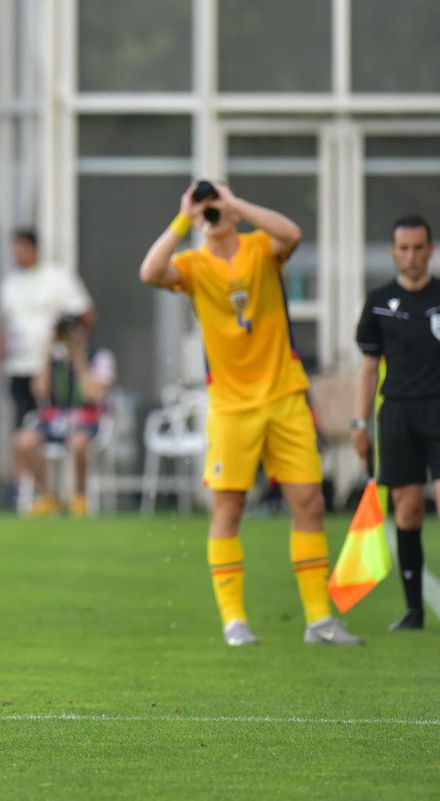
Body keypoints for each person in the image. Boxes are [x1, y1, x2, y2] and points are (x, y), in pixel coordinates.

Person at [139, 181, 362, 647]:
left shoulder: (261, 248)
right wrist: (185, 216)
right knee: (229, 506)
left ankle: (319, 620)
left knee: (309, 501)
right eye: (207, 209)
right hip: (231, 406)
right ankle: (234, 620)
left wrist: (235, 202)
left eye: (215, 206)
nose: (212, 214)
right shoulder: (193, 265)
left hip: (284, 394)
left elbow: (293, 233)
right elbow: (149, 271)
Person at [354, 213, 440, 631]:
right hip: (398, 413)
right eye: (403, 248)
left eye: (418, 248)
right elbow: (369, 369)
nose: (411, 256)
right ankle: (414, 611)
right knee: (406, 511)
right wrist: (359, 422)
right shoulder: (377, 302)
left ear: (431, 250)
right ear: (393, 251)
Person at [0, 229, 94, 513]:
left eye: (21, 248)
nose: (17, 254)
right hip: (20, 367)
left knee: (60, 429)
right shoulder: (10, 284)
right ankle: (39, 492)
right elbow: (6, 326)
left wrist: (75, 352)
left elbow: (85, 313)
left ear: (34, 248)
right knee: (23, 432)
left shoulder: (57, 279)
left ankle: (74, 495)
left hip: (53, 368)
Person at [14, 317, 114, 518]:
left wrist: (79, 359)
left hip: (86, 419)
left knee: (77, 443)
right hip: (56, 419)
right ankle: (47, 496)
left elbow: (92, 393)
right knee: (23, 441)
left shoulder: (99, 357)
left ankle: (79, 496)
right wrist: (46, 353)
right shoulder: (53, 359)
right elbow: (39, 391)